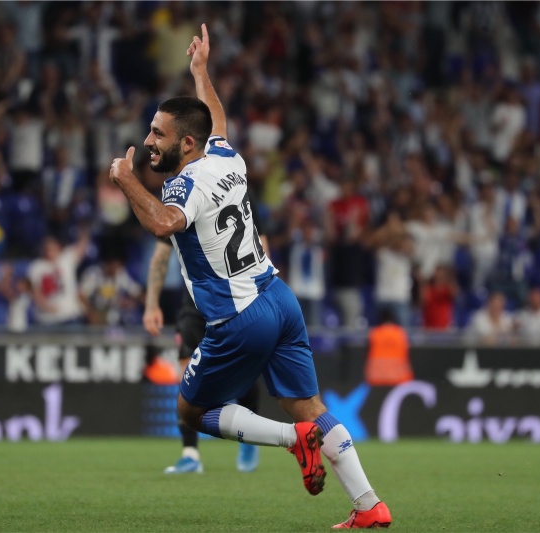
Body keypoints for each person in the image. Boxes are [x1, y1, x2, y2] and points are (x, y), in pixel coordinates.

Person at [110, 25, 390, 529]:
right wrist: (201, 72)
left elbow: (164, 223)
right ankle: (369, 504)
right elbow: (216, 118)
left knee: (191, 412)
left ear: (186, 143)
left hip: (238, 316)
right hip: (279, 298)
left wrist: (126, 180)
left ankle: (290, 440)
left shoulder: (184, 186)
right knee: (309, 405)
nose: (148, 141)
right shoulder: (226, 156)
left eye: (158, 134)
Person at [143, 198, 267, 474]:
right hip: (195, 304)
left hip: (236, 301)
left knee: (242, 373)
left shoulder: (238, 191)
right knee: (187, 374)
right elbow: (161, 254)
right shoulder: (183, 197)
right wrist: (151, 304)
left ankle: (249, 438)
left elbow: (261, 247)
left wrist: (261, 295)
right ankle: (190, 454)